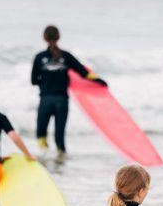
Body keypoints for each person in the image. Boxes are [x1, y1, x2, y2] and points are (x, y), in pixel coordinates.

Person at [31, 25, 107, 158]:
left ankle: (45, 160)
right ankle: (61, 161)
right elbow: (84, 73)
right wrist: (99, 80)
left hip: (46, 100)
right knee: (59, 135)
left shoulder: (39, 57)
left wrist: (45, 80)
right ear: (58, 37)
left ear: (44, 38)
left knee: (41, 134)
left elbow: (33, 80)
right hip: (62, 101)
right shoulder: (66, 56)